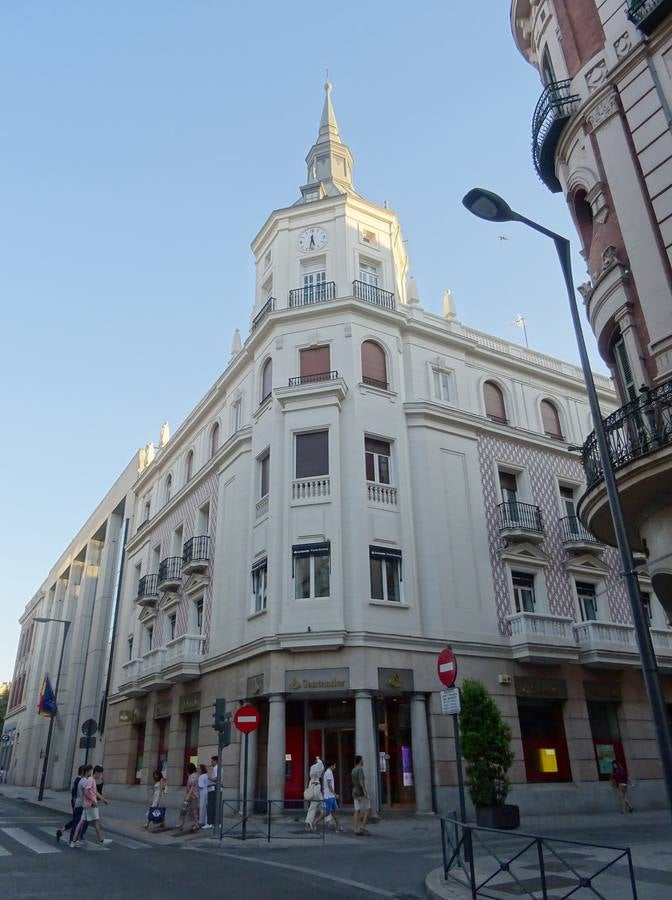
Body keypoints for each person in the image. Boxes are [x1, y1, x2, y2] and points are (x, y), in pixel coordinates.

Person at [71, 764, 111, 847]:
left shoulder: (91, 780)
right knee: (96, 821)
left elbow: (95, 792)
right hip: (90, 804)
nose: (100, 776)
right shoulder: (91, 780)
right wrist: (93, 801)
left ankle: (74, 840)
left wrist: (103, 800)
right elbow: (86, 791)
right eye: (100, 774)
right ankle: (101, 840)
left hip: (87, 804)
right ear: (97, 772)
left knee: (81, 822)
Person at [57, 765, 85, 843]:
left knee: (75, 820)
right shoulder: (79, 781)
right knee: (77, 821)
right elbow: (75, 794)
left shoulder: (77, 780)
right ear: (83, 772)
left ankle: (62, 831)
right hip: (77, 802)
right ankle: (73, 839)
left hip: (75, 802)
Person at [173, 762, 200, 834]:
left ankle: (195, 824)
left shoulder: (194, 776)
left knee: (193, 811)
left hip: (193, 796)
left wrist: (188, 796)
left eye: (187, 768)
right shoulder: (191, 775)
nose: (186, 770)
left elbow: (192, 787)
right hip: (190, 795)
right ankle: (182, 823)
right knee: (185, 810)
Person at [351, 755, 370, 835]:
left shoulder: (353, 770)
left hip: (355, 791)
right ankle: (362, 826)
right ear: (359, 761)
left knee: (357, 810)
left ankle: (355, 828)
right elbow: (361, 781)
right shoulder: (360, 769)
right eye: (362, 760)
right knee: (368, 809)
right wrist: (365, 791)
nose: (363, 761)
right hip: (360, 792)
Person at [305, 756, 324, 832]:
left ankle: (329, 820)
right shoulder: (315, 767)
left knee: (322, 804)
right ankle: (309, 823)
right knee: (313, 805)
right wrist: (318, 758)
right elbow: (320, 766)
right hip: (315, 787)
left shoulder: (312, 768)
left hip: (314, 786)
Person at [322, 761, 343, 832]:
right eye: (334, 765)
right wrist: (335, 794)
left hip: (331, 796)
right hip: (328, 796)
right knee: (327, 812)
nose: (335, 767)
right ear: (332, 765)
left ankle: (338, 827)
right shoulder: (328, 773)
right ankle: (315, 822)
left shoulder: (329, 772)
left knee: (335, 811)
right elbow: (329, 784)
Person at [197, 763, 211, 828]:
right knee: (205, 807)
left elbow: (200, 786)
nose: (198, 769)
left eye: (199, 768)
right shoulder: (206, 775)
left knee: (202, 807)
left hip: (202, 792)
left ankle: (200, 821)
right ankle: (205, 821)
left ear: (201, 769)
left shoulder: (201, 776)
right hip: (206, 792)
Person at [207, 755, 218, 828]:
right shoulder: (217, 768)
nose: (211, 762)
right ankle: (214, 823)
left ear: (215, 761)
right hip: (214, 789)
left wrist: (209, 778)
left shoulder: (216, 768)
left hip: (213, 789)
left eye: (212, 761)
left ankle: (211, 823)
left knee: (211, 806)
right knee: (214, 807)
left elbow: (216, 779)